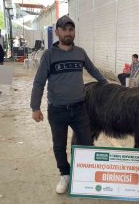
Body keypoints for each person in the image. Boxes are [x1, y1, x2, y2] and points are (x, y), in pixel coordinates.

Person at [30, 15, 108, 194]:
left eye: (70, 29)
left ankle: (83, 174)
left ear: (74, 32)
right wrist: (35, 107)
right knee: (59, 145)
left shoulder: (80, 52)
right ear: (57, 32)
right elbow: (39, 82)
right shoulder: (49, 55)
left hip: (79, 108)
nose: (67, 33)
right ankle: (65, 175)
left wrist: (106, 84)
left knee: (86, 143)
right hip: (57, 110)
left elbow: (92, 69)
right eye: (64, 29)